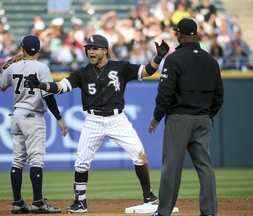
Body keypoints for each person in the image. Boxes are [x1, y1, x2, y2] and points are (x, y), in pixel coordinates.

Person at [25, 34, 169, 213]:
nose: (90, 51)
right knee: (81, 163)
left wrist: (159, 57)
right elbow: (60, 87)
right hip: (93, 120)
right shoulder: (82, 73)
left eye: (94, 48)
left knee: (140, 155)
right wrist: (41, 85)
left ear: (105, 51)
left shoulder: (120, 67)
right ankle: (80, 202)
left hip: (117, 119)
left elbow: (146, 71)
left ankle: (148, 196)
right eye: (88, 49)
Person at [148, 18, 224, 216]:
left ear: (179, 35)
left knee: (172, 167)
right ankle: (209, 212)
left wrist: (157, 117)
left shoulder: (174, 59)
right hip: (203, 118)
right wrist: (207, 114)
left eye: (176, 32)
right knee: (205, 166)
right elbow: (219, 96)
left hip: (179, 118)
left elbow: (165, 92)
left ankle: (164, 212)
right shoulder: (211, 60)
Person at [0, 35, 67, 214]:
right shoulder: (42, 67)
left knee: (18, 160)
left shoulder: (13, 67)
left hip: (17, 115)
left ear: (22, 49)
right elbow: (48, 95)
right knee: (36, 159)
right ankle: (38, 202)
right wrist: (59, 118)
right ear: (39, 50)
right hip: (33, 116)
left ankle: (18, 202)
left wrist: (7, 67)